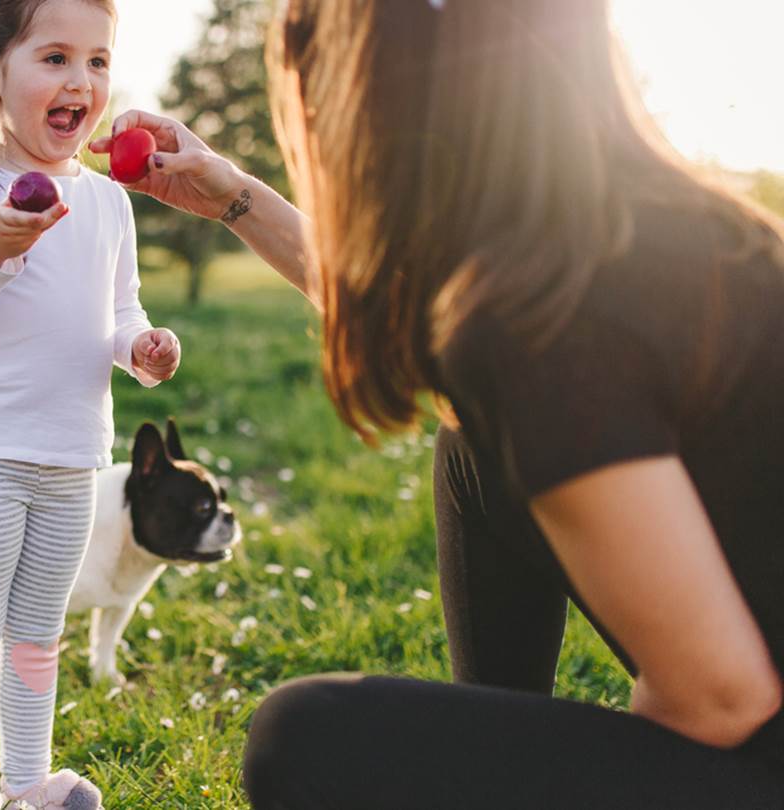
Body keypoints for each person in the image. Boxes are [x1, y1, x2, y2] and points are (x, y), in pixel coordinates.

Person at [88, 0, 784, 805]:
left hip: (753, 730)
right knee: (472, 448)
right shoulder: (654, 235)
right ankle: (501, 722)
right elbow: (411, 318)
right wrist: (236, 197)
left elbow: (720, 698)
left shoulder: (546, 328)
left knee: (304, 738)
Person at [0, 0, 181, 807]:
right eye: (55, 58)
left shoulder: (107, 203)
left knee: (35, 636)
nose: (81, 81)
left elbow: (119, 312)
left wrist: (142, 349)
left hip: (70, 464)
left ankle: (27, 783)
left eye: (97, 61)